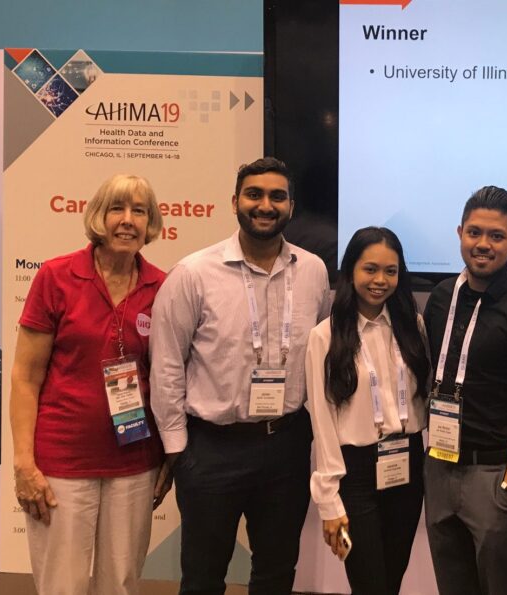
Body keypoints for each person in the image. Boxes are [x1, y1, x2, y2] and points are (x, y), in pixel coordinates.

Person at [149, 157, 331, 594]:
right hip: (212, 449)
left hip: (285, 445)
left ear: (291, 205)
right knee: (203, 576)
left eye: (276, 196)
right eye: (254, 194)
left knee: (276, 573)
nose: (265, 205)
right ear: (235, 202)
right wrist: (177, 449)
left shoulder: (313, 271)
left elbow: (319, 349)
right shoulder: (193, 274)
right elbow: (167, 363)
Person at [10, 173, 169, 595]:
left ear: (151, 223)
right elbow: (26, 377)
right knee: (63, 584)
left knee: (121, 583)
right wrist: (24, 463)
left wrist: (169, 457)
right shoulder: (56, 276)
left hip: (135, 461)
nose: (127, 220)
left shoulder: (163, 286)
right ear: (99, 216)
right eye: (117, 208)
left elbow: (171, 380)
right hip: (62, 461)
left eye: (139, 211)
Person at [422, 186, 507, 595]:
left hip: (494, 473)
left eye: (497, 236)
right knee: (452, 583)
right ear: (460, 232)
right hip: (440, 465)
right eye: (475, 233)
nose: (484, 245)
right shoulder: (441, 298)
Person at [305, 227, 430, 595]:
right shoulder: (324, 337)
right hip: (354, 473)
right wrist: (328, 501)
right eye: (370, 269)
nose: (380, 280)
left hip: (407, 466)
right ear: (350, 271)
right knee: (368, 582)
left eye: (390, 271)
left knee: (391, 580)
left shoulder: (413, 325)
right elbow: (322, 421)